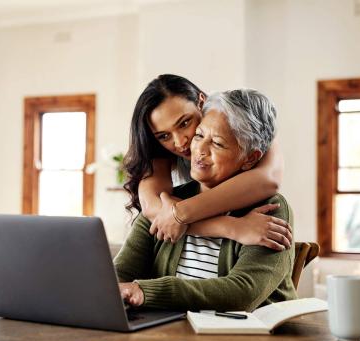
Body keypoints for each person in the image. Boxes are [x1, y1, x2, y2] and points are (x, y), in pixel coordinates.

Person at [115, 89, 297, 311]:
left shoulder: (272, 209)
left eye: (218, 144)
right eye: (199, 136)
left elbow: (242, 293)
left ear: (250, 158)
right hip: (173, 336)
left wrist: (146, 291)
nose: (198, 150)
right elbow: (120, 273)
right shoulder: (167, 204)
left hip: (248, 339)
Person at [123, 74, 291, 249]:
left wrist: (180, 213)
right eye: (164, 136)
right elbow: (154, 209)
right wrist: (232, 227)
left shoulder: (242, 123)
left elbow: (267, 180)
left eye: (184, 123)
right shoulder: (159, 153)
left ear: (201, 102)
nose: (180, 142)